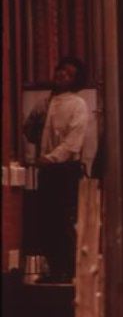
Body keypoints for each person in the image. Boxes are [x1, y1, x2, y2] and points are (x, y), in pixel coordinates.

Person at [23, 56, 90, 283]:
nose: (62, 75)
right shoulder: (45, 103)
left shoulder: (78, 105)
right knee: (45, 219)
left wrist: (51, 158)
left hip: (65, 169)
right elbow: (30, 130)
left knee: (63, 220)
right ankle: (53, 268)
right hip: (47, 169)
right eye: (61, 70)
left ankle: (69, 270)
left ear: (75, 80)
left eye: (68, 74)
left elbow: (73, 142)